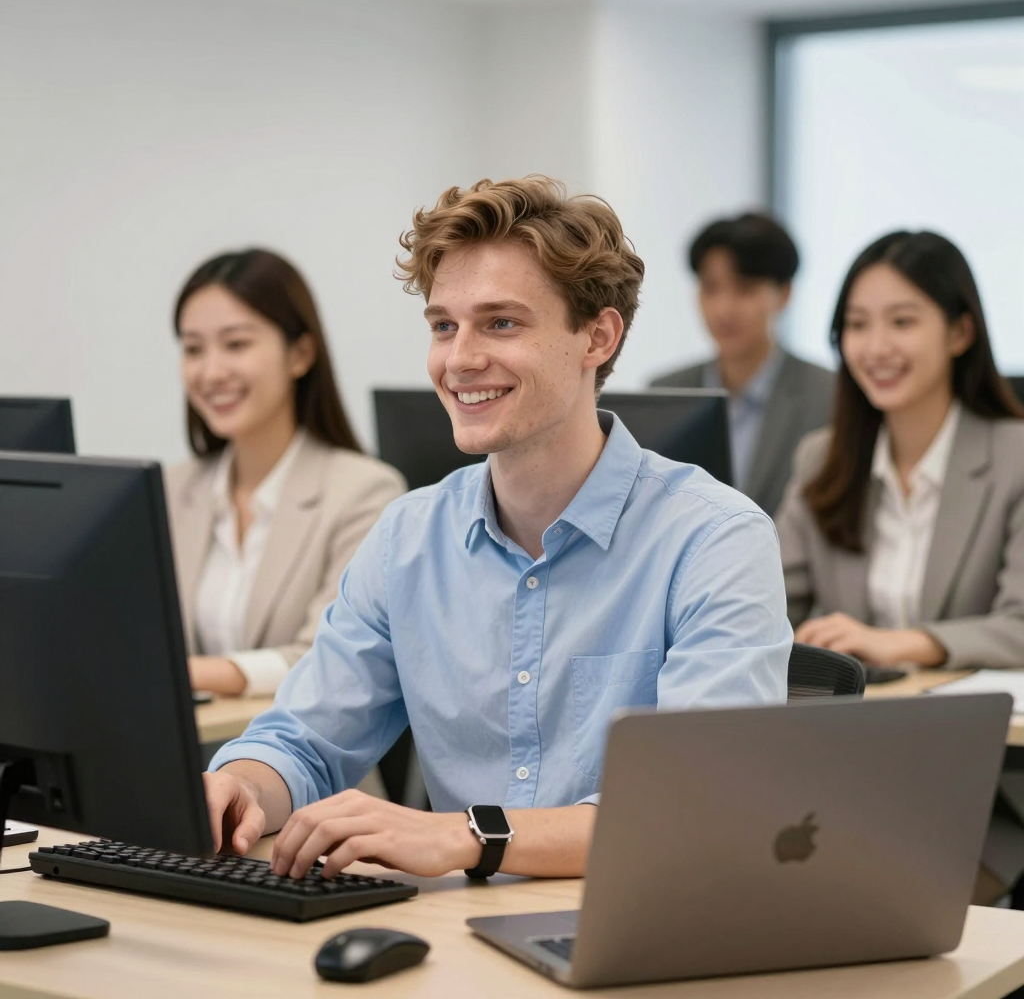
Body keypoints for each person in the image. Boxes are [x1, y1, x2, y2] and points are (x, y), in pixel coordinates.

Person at [203, 176, 791, 882]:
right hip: (461, 941)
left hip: (637, 933)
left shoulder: (715, 539)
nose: (460, 359)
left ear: (596, 337)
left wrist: (469, 836)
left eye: (501, 323)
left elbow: (695, 803)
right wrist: (241, 782)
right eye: (444, 325)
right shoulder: (409, 538)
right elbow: (303, 740)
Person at [776, 230, 1024, 670]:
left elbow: (1020, 625)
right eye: (857, 325)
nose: (875, 348)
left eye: (902, 322)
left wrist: (904, 644)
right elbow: (765, 604)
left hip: (981, 731)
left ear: (960, 332)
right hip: (855, 727)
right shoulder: (822, 457)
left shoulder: (1014, 457)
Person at [165, 249, 406, 698]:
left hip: (310, 764)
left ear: (299, 354)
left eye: (236, 344)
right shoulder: (171, 490)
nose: (211, 371)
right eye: (193, 348)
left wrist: (186, 673)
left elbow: (331, 657)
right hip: (183, 762)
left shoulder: (364, 492)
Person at [651, 213, 834, 516]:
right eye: (710, 288)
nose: (724, 308)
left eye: (744, 289)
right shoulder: (665, 392)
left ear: (784, 294)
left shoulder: (827, 396)